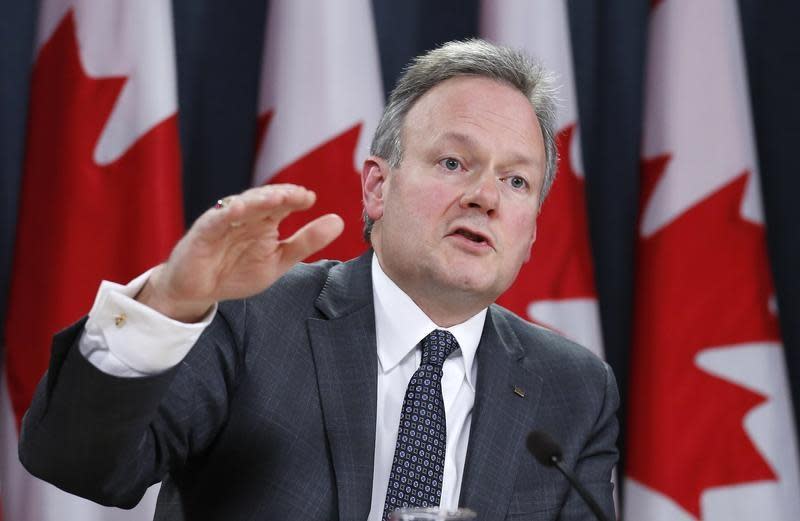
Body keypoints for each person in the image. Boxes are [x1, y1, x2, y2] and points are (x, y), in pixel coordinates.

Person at [19, 39, 618, 521]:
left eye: (517, 182)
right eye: (454, 163)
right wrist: (170, 303)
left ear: (533, 230)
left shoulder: (574, 388)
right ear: (377, 187)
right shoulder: (251, 315)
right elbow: (78, 463)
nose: (485, 197)